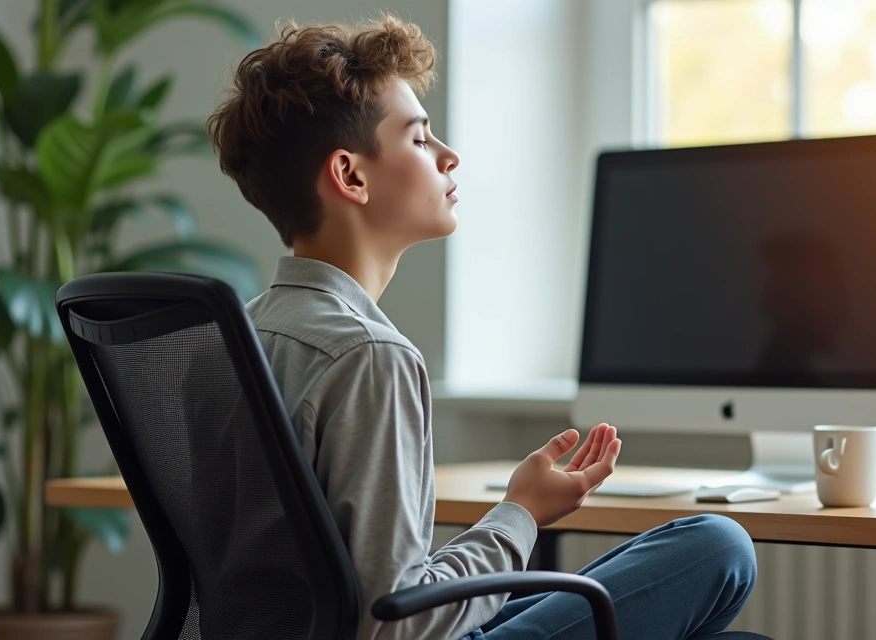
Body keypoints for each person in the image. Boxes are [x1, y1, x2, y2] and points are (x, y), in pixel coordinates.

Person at [206, 14, 757, 640]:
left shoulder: (238, 336)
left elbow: (369, 593)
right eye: (418, 140)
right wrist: (521, 512)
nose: (449, 156)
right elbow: (395, 626)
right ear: (350, 176)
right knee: (719, 544)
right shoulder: (368, 355)